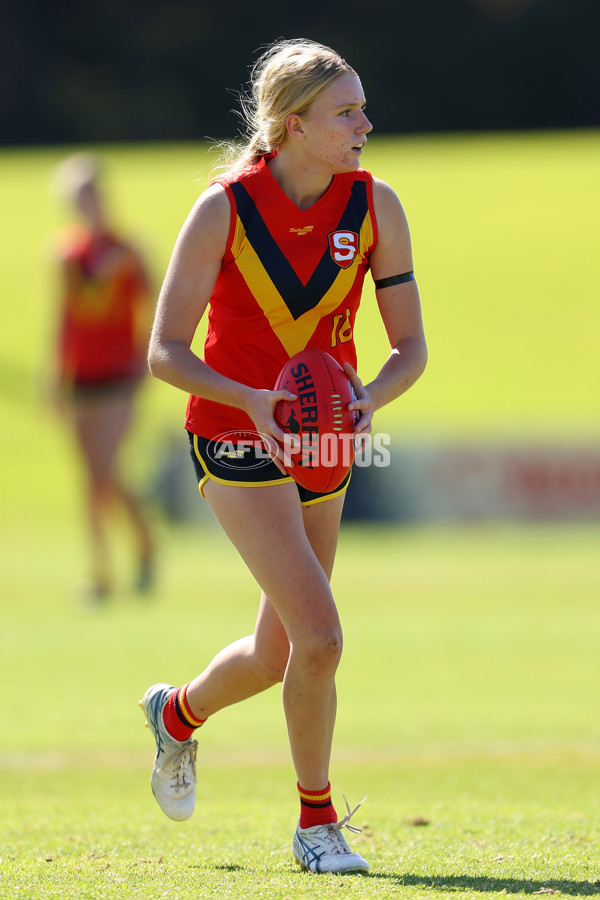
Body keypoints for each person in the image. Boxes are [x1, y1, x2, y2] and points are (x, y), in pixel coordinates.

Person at [140, 39, 427, 874]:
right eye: (347, 112)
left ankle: (177, 716)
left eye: (363, 108)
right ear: (294, 125)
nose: (366, 124)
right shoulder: (224, 209)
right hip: (235, 432)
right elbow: (165, 352)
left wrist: (370, 396)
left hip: (326, 437)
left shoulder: (377, 206)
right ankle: (316, 824)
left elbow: (409, 349)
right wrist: (253, 400)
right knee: (323, 636)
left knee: (279, 654)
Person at [49, 153, 155, 603]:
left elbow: (152, 308)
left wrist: (143, 359)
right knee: (89, 477)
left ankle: (143, 544)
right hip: (81, 377)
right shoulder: (66, 253)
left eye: (91, 195)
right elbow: (67, 316)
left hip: (118, 377)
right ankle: (100, 571)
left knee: (106, 471)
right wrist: (56, 373)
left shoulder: (128, 250)